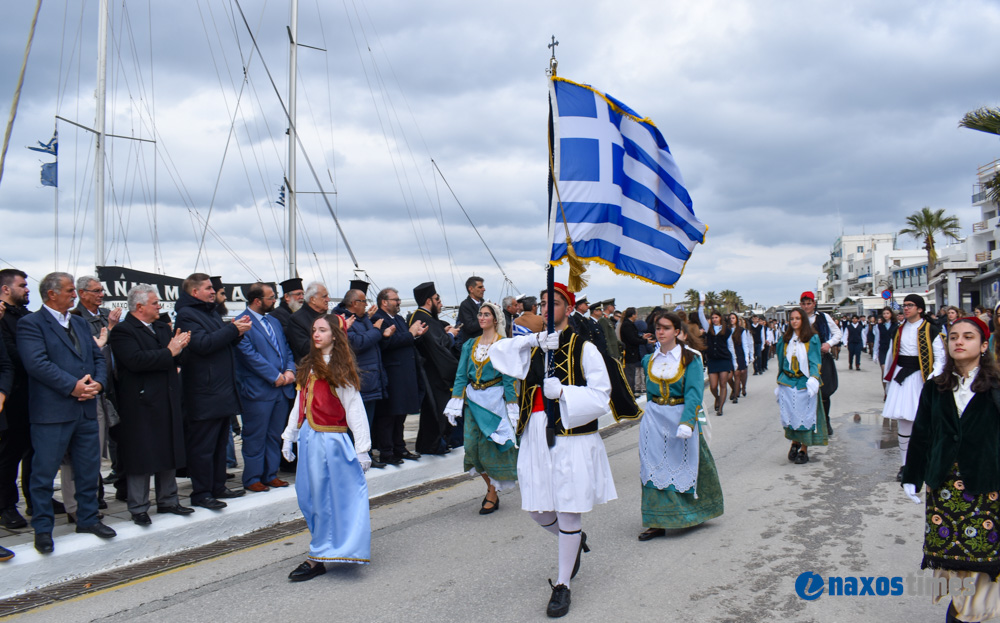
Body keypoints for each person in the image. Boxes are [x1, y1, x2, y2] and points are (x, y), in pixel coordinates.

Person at [489, 283, 639, 619]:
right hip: (535, 434)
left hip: (570, 435)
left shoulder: (584, 348)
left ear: (568, 308)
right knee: (538, 510)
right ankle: (573, 539)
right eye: (542, 303)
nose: (545, 309)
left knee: (569, 506)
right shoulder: (534, 345)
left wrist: (565, 393)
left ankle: (562, 584)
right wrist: (532, 340)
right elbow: (497, 354)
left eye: (552, 303)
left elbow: (601, 396)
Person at [902, 317, 1000, 623]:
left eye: (968, 336)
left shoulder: (995, 387)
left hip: (986, 486)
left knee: (984, 562)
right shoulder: (936, 387)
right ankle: (963, 613)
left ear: (983, 346)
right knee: (956, 563)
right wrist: (912, 477)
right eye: (954, 336)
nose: (959, 341)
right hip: (944, 488)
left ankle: (970, 614)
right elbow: (922, 434)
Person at [17, 273, 115, 553]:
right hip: (52, 413)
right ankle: (44, 529)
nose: (74, 295)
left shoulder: (81, 323)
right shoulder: (31, 324)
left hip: (84, 409)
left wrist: (98, 382)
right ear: (51, 294)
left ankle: (86, 518)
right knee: (44, 473)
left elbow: (97, 357)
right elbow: (36, 363)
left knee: (87, 469)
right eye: (70, 290)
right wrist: (71, 387)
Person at [281, 314, 372, 581]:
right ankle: (325, 548)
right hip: (310, 439)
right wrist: (290, 435)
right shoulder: (309, 365)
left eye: (322, 330)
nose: (316, 334)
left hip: (332, 441)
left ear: (335, 334)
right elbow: (300, 403)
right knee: (308, 495)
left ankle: (318, 556)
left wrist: (362, 448)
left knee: (332, 498)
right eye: (314, 330)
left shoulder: (340, 368)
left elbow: (355, 408)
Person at [109, 284, 194, 525]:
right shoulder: (124, 331)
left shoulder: (160, 327)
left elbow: (177, 356)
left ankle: (169, 500)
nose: (160, 306)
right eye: (155, 303)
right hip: (140, 404)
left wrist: (181, 347)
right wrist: (170, 351)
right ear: (139, 307)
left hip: (167, 399)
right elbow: (135, 361)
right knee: (142, 456)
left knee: (168, 449)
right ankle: (139, 507)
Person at [637, 311, 723, 541]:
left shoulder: (690, 359)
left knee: (685, 464)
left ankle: (692, 512)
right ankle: (656, 520)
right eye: (658, 328)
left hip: (679, 417)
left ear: (677, 331)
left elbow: (694, 393)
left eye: (666, 328)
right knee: (653, 467)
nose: (660, 332)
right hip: (654, 419)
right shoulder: (649, 360)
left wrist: (687, 422)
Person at [175, 273, 252, 510]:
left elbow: (220, 342)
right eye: (208, 288)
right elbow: (201, 344)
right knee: (203, 447)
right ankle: (201, 492)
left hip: (220, 391)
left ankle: (218, 486)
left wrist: (237, 333)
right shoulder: (187, 315)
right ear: (194, 291)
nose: (213, 291)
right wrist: (232, 331)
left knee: (219, 443)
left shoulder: (211, 313)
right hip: (203, 393)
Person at [444, 302, 518, 515]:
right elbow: (460, 374)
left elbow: (508, 377)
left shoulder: (503, 344)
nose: (482, 317)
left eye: (487, 314)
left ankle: (492, 492)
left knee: (490, 448)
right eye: (480, 314)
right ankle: (489, 486)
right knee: (472, 449)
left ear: (495, 319)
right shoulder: (469, 345)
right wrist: (455, 400)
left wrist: (512, 406)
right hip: (473, 401)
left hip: (494, 402)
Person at [233, 282, 297, 492]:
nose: (274, 301)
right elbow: (248, 354)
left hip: (281, 389)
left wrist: (289, 371)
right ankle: (252, 477)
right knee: (255, 435)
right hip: (259, 390)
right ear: (257, 300)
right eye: (271, 297)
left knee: (274, 434)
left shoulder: (274, 322)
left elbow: (285, 349)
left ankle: (270, 474)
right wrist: (274, 376)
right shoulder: (242, 322)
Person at [884, 294, 946, 483]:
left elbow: (940, 357)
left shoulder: (931, 329)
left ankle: (924, 462)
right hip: (901, 377)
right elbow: (891, 354)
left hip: (921, 378)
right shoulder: (899, 329)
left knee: (923, 422)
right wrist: (887, 378)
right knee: (903, 421)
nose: (906, 308)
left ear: (920, 309)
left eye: (910, 305)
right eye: (904, 305)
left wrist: (932, 379)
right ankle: (905, 465)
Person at [0, 268, 42, 530]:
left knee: (34, 451)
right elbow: (11, 356)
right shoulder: (3, 319)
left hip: (33, 394)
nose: (28, 289)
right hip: (12, 397)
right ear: (6, 289)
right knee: (9, 454)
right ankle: (6, 505)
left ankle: (35, 500)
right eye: (22, 285)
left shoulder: (27, 317)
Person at [333, 282, 388, 469]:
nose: (366, 305)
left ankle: (367, 453)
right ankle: (353, 456)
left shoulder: (361, 317)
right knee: (355, 421)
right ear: (354, 302)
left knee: (368, 420)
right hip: (359, 377)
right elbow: (358, 343)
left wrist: (370, 325)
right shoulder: (341, 319)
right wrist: (377, 330)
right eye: (363, 301)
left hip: (371, 377)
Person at [371, 288, 426, 464]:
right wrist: (410, 334)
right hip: (391, 373)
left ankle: (399, 448)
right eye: (395, 299)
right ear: (384, 302)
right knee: (389, 415)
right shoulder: (378, 319)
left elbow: (406, 338)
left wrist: (415, 335)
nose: (399, 302)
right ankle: (387, 451)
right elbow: (387, 342)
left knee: (400, 414)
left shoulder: (399, 319)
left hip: (404, 373)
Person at [410, 282, 460, 454]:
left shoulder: (426, 318)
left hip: (433, 371)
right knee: (435, 410)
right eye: (437, 298)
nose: (440, 301)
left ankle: (437, 444)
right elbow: (438, 345)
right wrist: (450, 336)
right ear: (428, 300)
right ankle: (433, 445)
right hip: (431, 372)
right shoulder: (422, 318)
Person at [775, 308, 827, 465]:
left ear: (803, 320)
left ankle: (804, 448)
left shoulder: (812, 339)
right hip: (788, 382)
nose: (795, 321)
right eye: (792, 319)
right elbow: (781, 362)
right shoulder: (784, 340)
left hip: (805, 383)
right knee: (791, 415)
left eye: (798, 318)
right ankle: (794, 443)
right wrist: (779, 381)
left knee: (805, 416)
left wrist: (813, 379)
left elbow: (814, 361)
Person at [799, 292, 841, 436]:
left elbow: (838, 334)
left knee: (824, 392)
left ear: (814, 303)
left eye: (809, 303)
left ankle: (825, 420)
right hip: (803, 361)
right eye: (803, 304)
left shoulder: (824, 317)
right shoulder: (797, 318)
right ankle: (807, 422)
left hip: (822, 358)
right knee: (804, 392)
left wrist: (828, 344)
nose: (806, 306)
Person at [698, 297, 737, 416]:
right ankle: (717, 397)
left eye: (716, 317)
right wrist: (702, 303)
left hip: (724, 359)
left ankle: (720, 408)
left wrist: (734, 362)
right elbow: (701, 316)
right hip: (713, 360)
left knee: (723, 384)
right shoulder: (708, 328)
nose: (714, 319)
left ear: (720, 318)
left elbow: (731, 346)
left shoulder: (727, 330)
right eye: (713, 318)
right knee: (713, 386)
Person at [286, 282, 330, 362]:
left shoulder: (328, 317)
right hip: (309, 369)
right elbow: (306, 349)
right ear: (312, 299)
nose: (328, 299)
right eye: (324, 296)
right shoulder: (296, 320)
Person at [620, 307, 650, 396]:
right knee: (630, 375)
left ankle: (631, 392)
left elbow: (634, 337)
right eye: (636, 314)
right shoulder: (627, 325)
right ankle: (630, 394)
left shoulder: (629, 324)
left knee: (632, 374)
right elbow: (632, 339)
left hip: (633, 353)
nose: (636, 316)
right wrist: (645, 341)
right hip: (630, 353)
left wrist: (642, 337)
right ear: (633, 315)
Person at [873, 307, 900, 400]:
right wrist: (875, 353)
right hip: (883, 350)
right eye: (884, 314)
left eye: (887, 313)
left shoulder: (897, 325)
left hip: (893, 350)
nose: (886, 315)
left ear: (891, 314)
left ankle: (892, 391)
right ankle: (886, 392)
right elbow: (877, 340)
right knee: (884, 370)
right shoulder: (878, 326)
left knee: (892, 371)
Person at [727, 313, 751, 403]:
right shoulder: (726, 330)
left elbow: (745, 344)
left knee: (738, 374)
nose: (731, 319)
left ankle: (736, 395)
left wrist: (747, 356)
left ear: (736, 319)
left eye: (733, 318)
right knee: (729, 376)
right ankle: (735, 388)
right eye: (730, 318)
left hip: (739, 352)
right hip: (729, 354)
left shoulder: (741, 330)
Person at [456, 276, 485, 348]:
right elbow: (470, 327)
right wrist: (486, 319)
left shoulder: (484, 304)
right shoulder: (465, 305)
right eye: (480, 287)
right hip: (473, 346)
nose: (484, 289)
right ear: (471, 289)